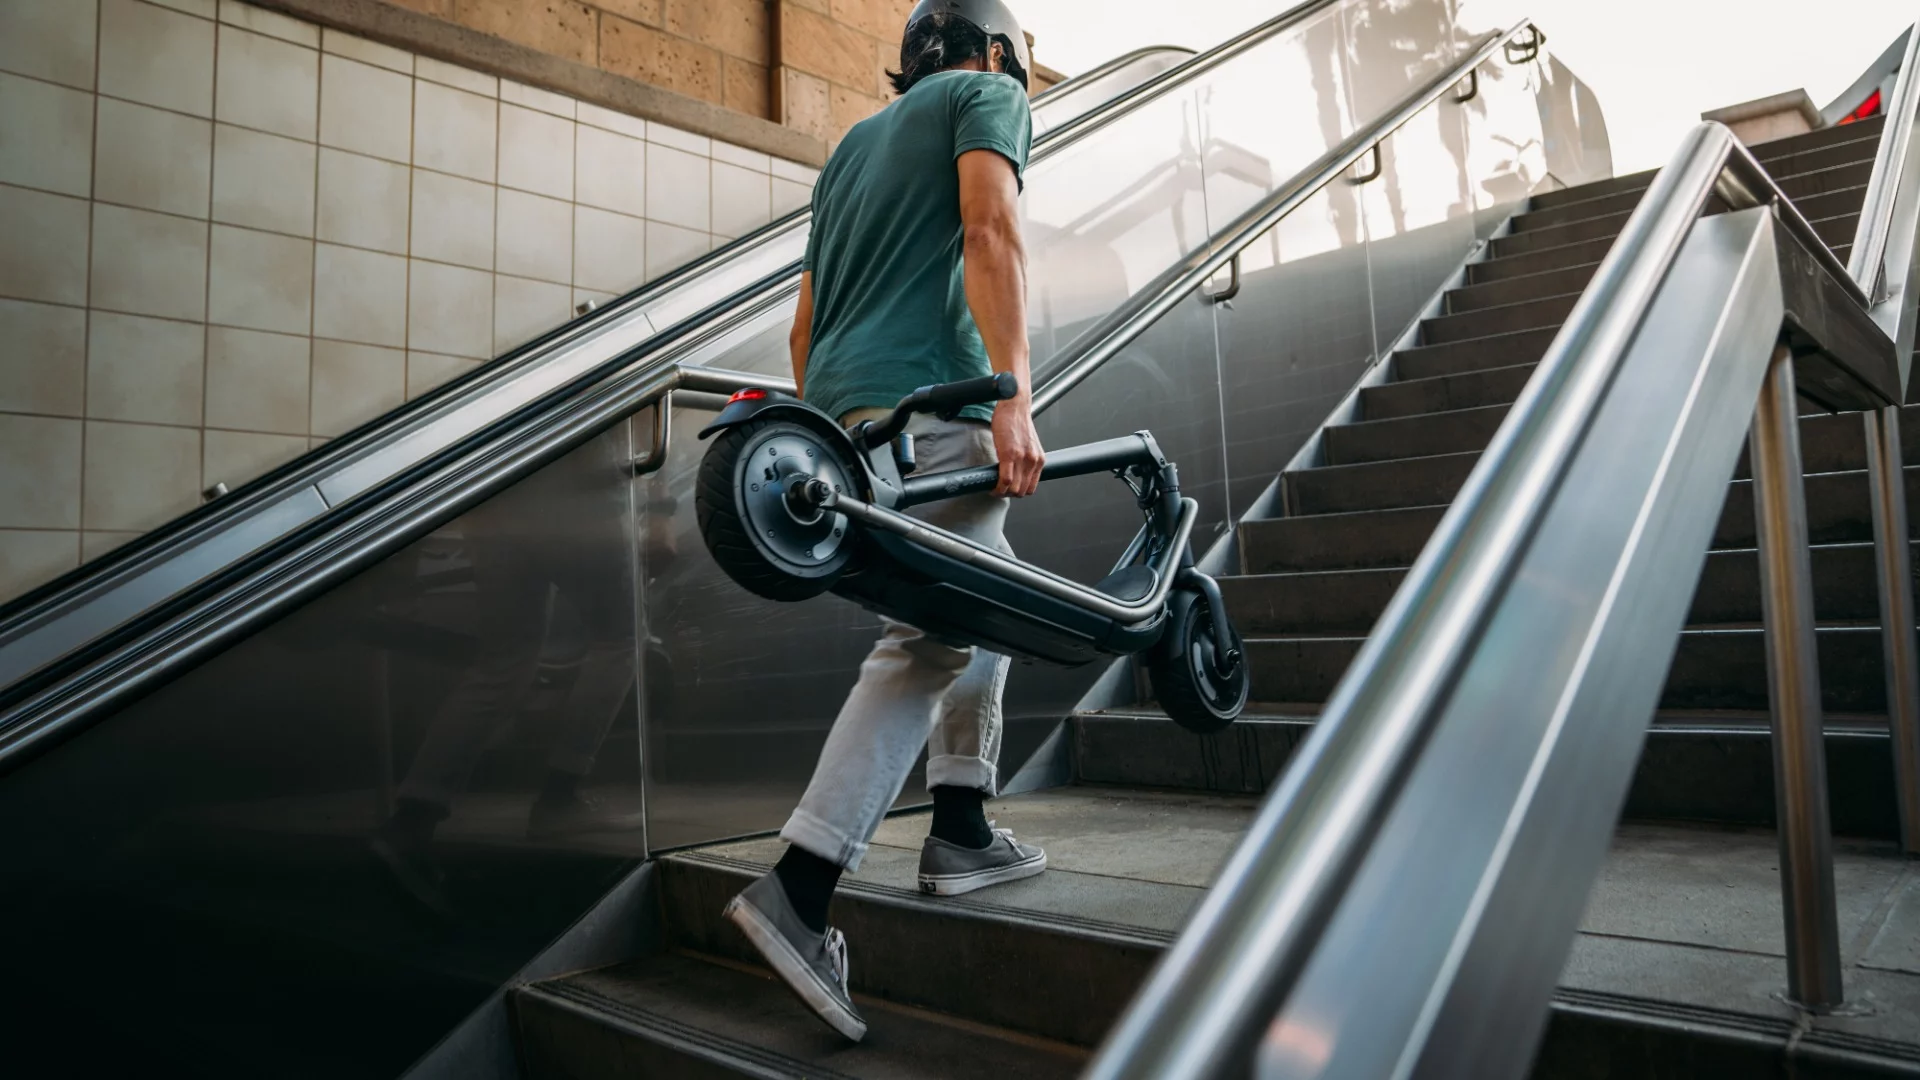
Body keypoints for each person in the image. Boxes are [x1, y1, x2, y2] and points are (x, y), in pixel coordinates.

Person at [720, 0, 1047, 1043]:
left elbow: (805, 320)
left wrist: (832, 431)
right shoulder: (988, 94)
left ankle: (961, 822)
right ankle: (803, 886)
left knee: (985, 592)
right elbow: (992, 228)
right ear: (996, 51)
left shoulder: (851, 151)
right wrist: (1015, 394)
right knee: (932, 637)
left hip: (846, 419)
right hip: (937, 403)